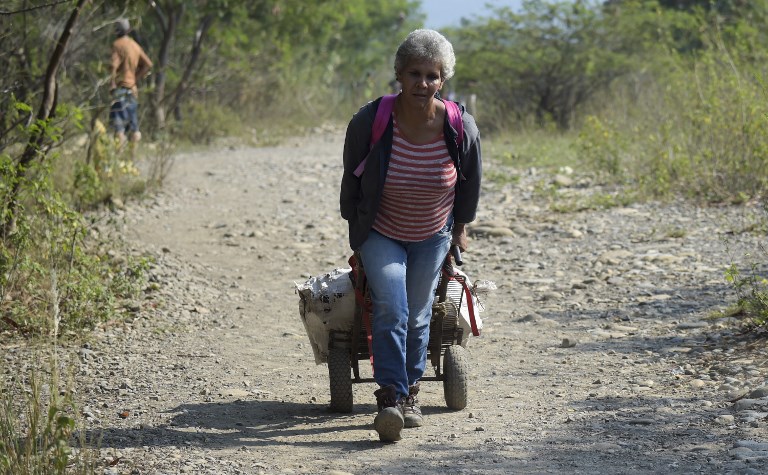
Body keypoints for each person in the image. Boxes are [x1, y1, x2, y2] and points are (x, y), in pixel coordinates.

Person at [339, 29, 482, 442]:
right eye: (414, 74)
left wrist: (460, 229)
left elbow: (469, 184)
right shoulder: (370, 121)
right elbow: (351, 179)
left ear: (443, 80)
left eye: (432, 76)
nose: (423, 83)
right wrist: (356, 229)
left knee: (420, 314)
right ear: (399, 75)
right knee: (391, 308)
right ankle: (391, 399)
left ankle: (412, 393)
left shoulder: (459, 125)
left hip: (432, 233)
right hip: (381, 232)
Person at [109, 18, 152, 148]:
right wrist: (135, 78)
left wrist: (111, 84)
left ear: (116, 31)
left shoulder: (117, 44)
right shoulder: (134, 45)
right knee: (133, 127)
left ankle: (119, 159)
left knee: (119, 128)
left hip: (120, 89)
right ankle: (132, 160)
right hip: (132, 90)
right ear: (128, 30)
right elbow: (148, 65)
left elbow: (113, 66)